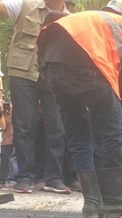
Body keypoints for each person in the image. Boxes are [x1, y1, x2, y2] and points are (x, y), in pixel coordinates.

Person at [37, 10, 122, 218]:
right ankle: (115, 201)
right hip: (81, 64)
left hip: (52, 65)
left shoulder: (109, 26)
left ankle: (92, 203)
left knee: (78, 131)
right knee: (117, 129)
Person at [0, 0, 70, 194]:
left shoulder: (70, 19)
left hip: (53, 74)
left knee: (56, 125)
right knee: (24, 124)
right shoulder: (24, 4)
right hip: (22, 71)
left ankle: (54, 178)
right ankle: (25, 177)